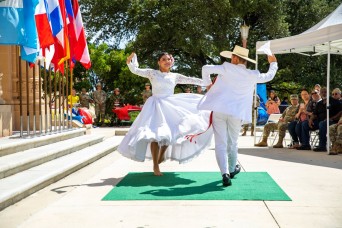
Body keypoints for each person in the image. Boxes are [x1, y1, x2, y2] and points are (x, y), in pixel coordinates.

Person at [118, 52, 213, 176]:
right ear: (158, 62)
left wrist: (207, 82)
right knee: (155, 135)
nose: (167, 61)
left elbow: (192, 80)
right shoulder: (152, 73)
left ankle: (161, 156)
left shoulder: (175, 76)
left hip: (170, 106)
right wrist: (130, 61)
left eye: (169, 59)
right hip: (155, 106)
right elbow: (136, 70)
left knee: (170, 134)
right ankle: (155, 165)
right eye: (163, 59)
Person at [198, 45, 278, 186]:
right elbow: (269, 76)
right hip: (236, 113)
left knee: (220, 143)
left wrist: (208, 85)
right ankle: (232, 168)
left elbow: (205, 68)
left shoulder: (226, 68)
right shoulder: (252, 74)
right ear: (245, 61)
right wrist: (273, 62)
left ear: (234, 58)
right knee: (233, 142)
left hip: (220, 110)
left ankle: (225, 173)